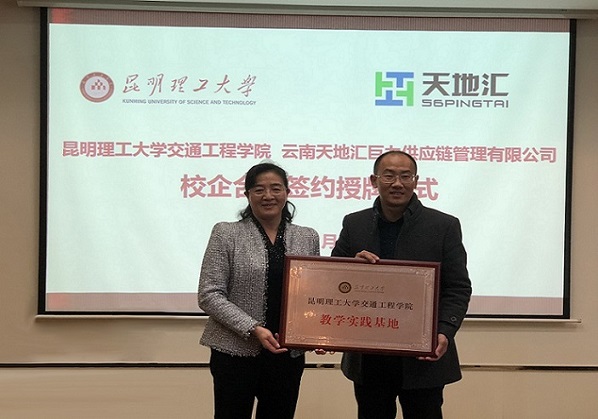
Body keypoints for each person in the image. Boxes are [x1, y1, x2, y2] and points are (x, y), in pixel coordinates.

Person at [331, 150, 472, 419]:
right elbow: (333, 280)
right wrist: (350, 267)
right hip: (369, 354)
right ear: (374, 180)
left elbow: (458, 287)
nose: (397, 183)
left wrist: (444, 331)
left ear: (416, 181)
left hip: (423, 355)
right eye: (389, 176)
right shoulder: (354, 223)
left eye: (406, 176)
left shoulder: (443, 225)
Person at [197, 162, 320, 419]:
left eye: (276, 188)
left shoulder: (308, 237)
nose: (268, 196)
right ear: (247, 195)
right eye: (259, 189)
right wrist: (253, 328)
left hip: (287, 354)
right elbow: (209, 294)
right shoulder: (226, 233)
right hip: (234, 352)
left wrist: (318, 332)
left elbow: (313, 294)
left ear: (287, 192)